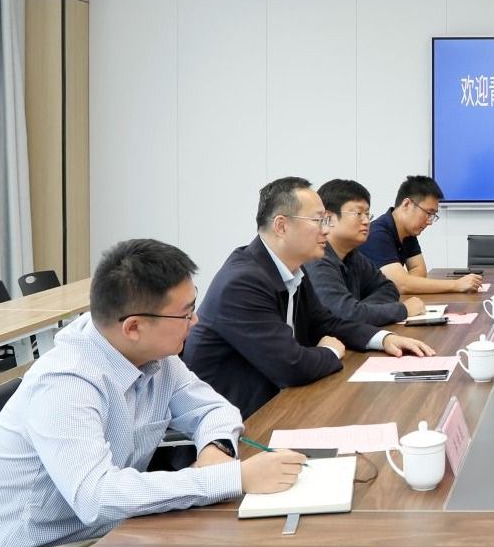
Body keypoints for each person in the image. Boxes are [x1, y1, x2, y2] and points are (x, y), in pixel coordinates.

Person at [0, 238, 308, 547]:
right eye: (185, 314)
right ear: (133, 327)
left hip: (102, 538)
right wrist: (231, 478)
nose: (196, 321)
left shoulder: (154, 356)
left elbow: (213, 409)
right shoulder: (66, 384)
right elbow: (98, 498)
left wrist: (215, 450)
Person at [183, 177, 435, 419]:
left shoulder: (292, 269)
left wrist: (383, 339)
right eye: (318, 220)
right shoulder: (243, 282)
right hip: (236, 422)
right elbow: (291, 365)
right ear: (281, 226)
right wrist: (330, 351)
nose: (326, 229)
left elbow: (328, 323)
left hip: (277, 403)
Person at [305, 178, 424, 327]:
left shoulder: (353, 256)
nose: (366, 221)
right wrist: (402, 310)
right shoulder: (317, 259)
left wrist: (360, 310)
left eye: (367, 214)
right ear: (328, 218)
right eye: (358, 213)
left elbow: (388, 288)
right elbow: (343, 315)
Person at [356, 175, 484, 295]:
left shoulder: (408, 232)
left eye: (433, 215)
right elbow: (402, 285)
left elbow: (419, 269)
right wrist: (456, 285)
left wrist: (407, 282)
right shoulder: (376, 234)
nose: (430, 222)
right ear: (407, 204)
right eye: (428, 213)